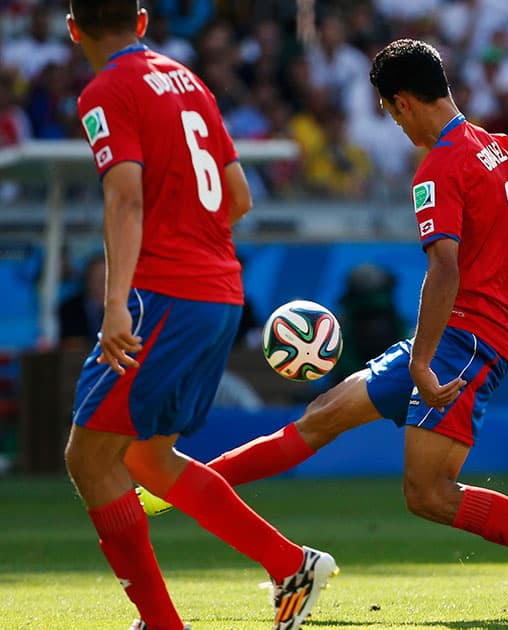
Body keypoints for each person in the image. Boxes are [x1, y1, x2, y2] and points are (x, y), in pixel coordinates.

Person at [138, 38, 508, 621]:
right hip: (449, 339)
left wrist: (421, 362)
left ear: (402, 103)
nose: (394, 124)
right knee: (320, 417)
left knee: (428, 494)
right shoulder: (496, 147)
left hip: (465, 344)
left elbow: (444, 267)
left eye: (390, 113)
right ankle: (179, 485)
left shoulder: (441, 165)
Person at [61, 3, 336, 630]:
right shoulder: (190, 81)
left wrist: (113, 303)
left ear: (74, 29)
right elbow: (237, 196)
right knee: (148, 459)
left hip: (163, 295)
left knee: (88, 456)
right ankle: (289, 562)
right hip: (219, 290)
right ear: (140, 19)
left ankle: (162, 623)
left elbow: (124, 195)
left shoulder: (106, 91)